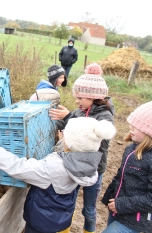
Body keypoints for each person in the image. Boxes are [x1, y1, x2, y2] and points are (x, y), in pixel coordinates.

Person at [0, 117, 116, 233]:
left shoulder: (54, 167)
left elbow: (18, 167)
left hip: (41, 224)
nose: (62, 133)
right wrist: (63, 143)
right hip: (59, 219)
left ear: (70, 143)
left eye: (66, 134)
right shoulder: (86, 164)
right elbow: (71, 155)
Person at [49, 63, 114, 233]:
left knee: (89, 210)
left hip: (94, 169)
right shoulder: (79, 111)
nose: (76, 101)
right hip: (74, 165)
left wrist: (69, 117)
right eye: (76, 97)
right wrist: (56, 121)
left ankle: (89, 230)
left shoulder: (105, 116)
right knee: (68, 202)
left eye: (80, 97)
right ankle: (64, 228)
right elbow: (66, 125)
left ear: (94, 97)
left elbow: (96, 140)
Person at [101, 101, 152, 233]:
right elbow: (121, 174)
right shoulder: (131, 149)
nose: (131, 128)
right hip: (117, 211)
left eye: (137, 126)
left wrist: (121, 204)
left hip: (135, 220)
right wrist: (110, 195)